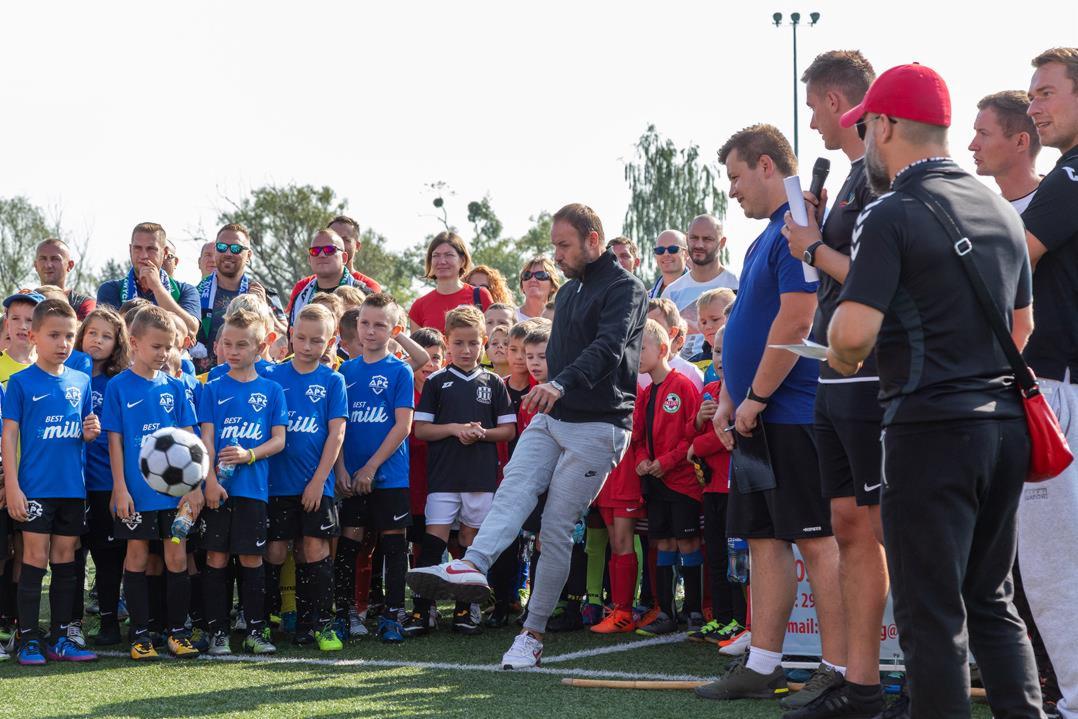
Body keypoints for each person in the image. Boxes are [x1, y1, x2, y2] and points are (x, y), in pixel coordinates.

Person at [827, 63, 1042, 717]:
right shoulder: (1000, 206)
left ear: (887, 125)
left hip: (929, 428)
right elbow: (1022, 324)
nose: (863, 142)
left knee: (931, 615)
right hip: (1002, 425)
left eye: (865, 128)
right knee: (992, 601)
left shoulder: (890, 210)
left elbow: (853, 337)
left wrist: (840, 343)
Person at [407, 203, 647, 670]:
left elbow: (608, 348)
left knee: (554, 529)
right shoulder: (573, 289)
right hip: (554, 414)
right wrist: (551, 389)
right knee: (513, 487)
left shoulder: (626, 289)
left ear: (593, 240)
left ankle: (531, 635)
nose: (556, 255)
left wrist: (557, 384)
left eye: (564, 245)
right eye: (554, 244)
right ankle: (471, 565)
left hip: (599, 425)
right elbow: (563, 349)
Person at [697, 124, 843, 704]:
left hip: (794, 412)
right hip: (759, 412)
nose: (731, 191)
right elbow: (752, 325)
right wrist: (734, 394)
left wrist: (754, 397)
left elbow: (797, 319)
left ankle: (837, 669)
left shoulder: (797, 229)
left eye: (735, 177)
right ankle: (762, 664)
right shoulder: (769, 234)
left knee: (816, 541)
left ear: (764, 166)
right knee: (763, 540)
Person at [778, 49, 887, 717]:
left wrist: (813, 248)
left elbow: (879, 280)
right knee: (847, 522)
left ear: (837, 101)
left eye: (815, 105)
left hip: (874, 374)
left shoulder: (881, 175)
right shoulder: (849, 177)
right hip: (835, 372)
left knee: (879, 528)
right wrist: (817, 237)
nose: (812, 121)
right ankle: (856, 675)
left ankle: (889, 677)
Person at [1018, 46, 1078, 719]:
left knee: (1053, 561)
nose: (1036, 106)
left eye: (1047, 92)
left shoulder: (1071, 174)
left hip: (1063, 389)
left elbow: (1014, 259)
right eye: (1031, 95)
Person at [404, 305, 515, 637]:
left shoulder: (494, 382)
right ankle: (424, 610)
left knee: (470, 540)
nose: (466, 351)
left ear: (482, 342)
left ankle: (469, 608)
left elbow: (508, 431)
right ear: (447, 342)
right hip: (444, 478)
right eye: (459, 344)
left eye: (472, 343)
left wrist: (481, 433)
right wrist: (455, 429)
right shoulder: (437, 381)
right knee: (433, 540)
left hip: (481, 478)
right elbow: (421, 430)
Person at [2, 299, 100, 665]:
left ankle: (61, 637)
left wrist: (90, 432)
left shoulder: (81, 380)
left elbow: (83, 428)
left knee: (65, 561)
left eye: (69, 336)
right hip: (35, 487)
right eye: (54, 335)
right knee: (33, 558)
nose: (63, 343)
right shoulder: (21, 382)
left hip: (72, 488)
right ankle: (28, 638)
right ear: (33, 336)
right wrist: (13, 485)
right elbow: (9, 436)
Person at [104, 305, 202, 660]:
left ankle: (177, 632)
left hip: (174, 496)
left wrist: (194, 487)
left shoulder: (175, 388)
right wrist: (120, 487)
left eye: (169, 347)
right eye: (156, 346)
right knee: (137, 556)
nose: (163, 354)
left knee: (176, 558)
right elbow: (114, 440)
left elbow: (190, 439)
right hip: (136, 495)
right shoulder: (118, 388)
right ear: (134, 343)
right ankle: (141, 634)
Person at [198, 309, 287, 656]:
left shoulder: (272, 389)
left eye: (242, 345)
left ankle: (255, 629)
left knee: (252, 559)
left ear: (261, 345)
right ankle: (218, 632)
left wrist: (249, 455)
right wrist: (208, 481)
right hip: (218, 490)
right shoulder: (212, 388)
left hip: (253, 491)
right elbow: (205, 441)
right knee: (216, 558)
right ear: (219, 345)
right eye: (228, 344)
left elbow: (279, 440)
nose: (233, 351)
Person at [261, 303, 347, 652]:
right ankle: (264, 622)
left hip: (317, 485)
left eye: (317, 340)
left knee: (314, 550)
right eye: (301, 338)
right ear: (290, 335)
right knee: (275, 551)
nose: (308, 346)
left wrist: (318, 480)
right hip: (276, 485)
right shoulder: (272, 377)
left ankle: (319, 625)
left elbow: (336, 434)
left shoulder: (332, 380)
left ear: (330, 342)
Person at [337, 293, 415, 644]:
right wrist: (341, 470)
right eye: (365, 323)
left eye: (380, 325)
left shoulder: (400, 371)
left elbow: (403, 426)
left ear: (394, 329)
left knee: (393, 546)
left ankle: (392, 615)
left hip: (389, 477)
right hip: (351, 477)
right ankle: (346, 613)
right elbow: (335, 426)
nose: (370, 331)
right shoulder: (344, 372)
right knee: (350, 542)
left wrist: (370, 467)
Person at [630, 319, 704, 636]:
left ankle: (695, 611)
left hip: (682, 481)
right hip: (656, 481)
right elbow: (637, 439)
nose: (636, 354)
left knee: (687, 541)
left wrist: (667, 461)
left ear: (662, 349)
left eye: (641, 348)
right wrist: (643, 460)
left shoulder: (682, 386)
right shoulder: (646, 393)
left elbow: (693, 435)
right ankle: (665, 612)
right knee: (662, 542)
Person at [74, 308, 130, 648]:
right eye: (92, 333)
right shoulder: (67, 377)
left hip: (106, 484)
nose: (97, 340)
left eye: (106, 336)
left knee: (109, 557)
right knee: (73, 556)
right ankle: (72, 622)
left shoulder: (118, 383)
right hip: (70, 484)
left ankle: (109, 621)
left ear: (117, 344)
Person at [686, 332, 746, 647]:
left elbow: (730, 438)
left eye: (727, 351)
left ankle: (741, 621)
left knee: (739, 561)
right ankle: (722, 619)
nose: (721, 359)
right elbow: (689, 431)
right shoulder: (710, 390)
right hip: (711, 490)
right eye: (717, 351)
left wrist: (698, 444)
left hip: (736, 489)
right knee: (717, 557)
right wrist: (698, 420)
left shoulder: (743, 392)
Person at [96, 222, 200, 337]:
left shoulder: (186, 290)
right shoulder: (110, 289)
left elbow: (191, 330)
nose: (143, 255)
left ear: (164, 253)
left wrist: (157, 287)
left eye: (151, 249)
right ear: (130, 249)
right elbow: (107, 335)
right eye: (137, 248)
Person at [661, 215, 739, 359]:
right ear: (686, 239)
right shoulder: (672, 292)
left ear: (722, 242)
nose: (699, 245)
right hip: (683, 376)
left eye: (707, 239)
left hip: (724, 372)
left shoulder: (737, 285)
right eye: (694, 238)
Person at [193, 224, 267, 374]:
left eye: (235, 249)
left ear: (249, 256)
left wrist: (264, 313)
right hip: (203, 385)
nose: (228, 253)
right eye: (221, 247)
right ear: (215, 251)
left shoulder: (260, 294)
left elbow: (276, 341)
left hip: (247, 383)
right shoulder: (194, 293)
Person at [969, 91, 1042, 212]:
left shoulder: (1063, 202)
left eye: (983, 134)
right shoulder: (985, 214)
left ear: (1021, 142)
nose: (972, 146)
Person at [287, 229, 372, 327]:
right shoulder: (300, 298)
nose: (322, 255)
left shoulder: (364, 294)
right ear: (310, 260)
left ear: (344, 258)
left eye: (329, 250)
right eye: (315, 251)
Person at [408, 232, 494, 331]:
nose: (442, 261)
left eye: (449, 255)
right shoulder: (419, 306)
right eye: (436, 255)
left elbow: (494, 339)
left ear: (463, 261)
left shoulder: (481, 295)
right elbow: (415, 345)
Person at [640, 298, 704, 391]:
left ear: (672, 332)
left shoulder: (690, 373)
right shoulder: (635, 372)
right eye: (643, 325)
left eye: (654, 325)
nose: (646, 330)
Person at [33, 239, 95, 320]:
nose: (48, 265)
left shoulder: (83, 304)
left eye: (55, 259)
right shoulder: (24, 301)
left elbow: (86, 330)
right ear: (35, 265)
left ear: (70, 265)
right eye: (43, 259)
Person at [326, 215, 382, 293]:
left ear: (357, 246)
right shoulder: (306, 285)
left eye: (345, 240)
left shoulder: (369, 287)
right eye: (332, 239)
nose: (337, 244)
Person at [515, 255, 560, 322]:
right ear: (522, 286)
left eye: (541, 275)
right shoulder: (511, 318)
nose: (533, 279)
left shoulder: (560, 319)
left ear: (553, 286)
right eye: (527, 275)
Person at [649, 230, 689, 299]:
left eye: (673, 249)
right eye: (660, 250)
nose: (666, 254)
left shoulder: (700, 291)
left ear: (686, 254)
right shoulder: (646, 298)